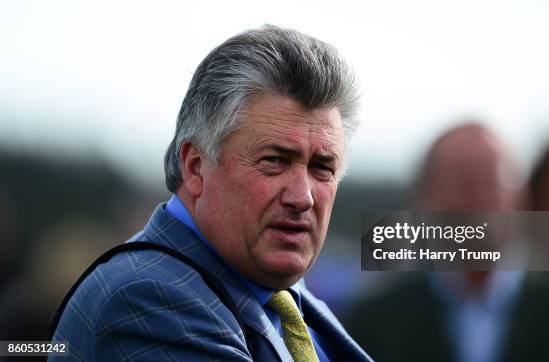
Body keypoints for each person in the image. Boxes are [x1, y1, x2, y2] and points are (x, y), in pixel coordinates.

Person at [51, 25, 372, 362]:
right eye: (274, 160)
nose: (303, 197)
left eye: (322, 167)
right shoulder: (149, 296)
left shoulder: (281, 295)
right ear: (195, 167)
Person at [344, 123, 549, 362]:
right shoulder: (374, 322)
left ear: (521, 195)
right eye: (464, 183)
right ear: (424, 199)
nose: (480, 199)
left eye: (492, 181)